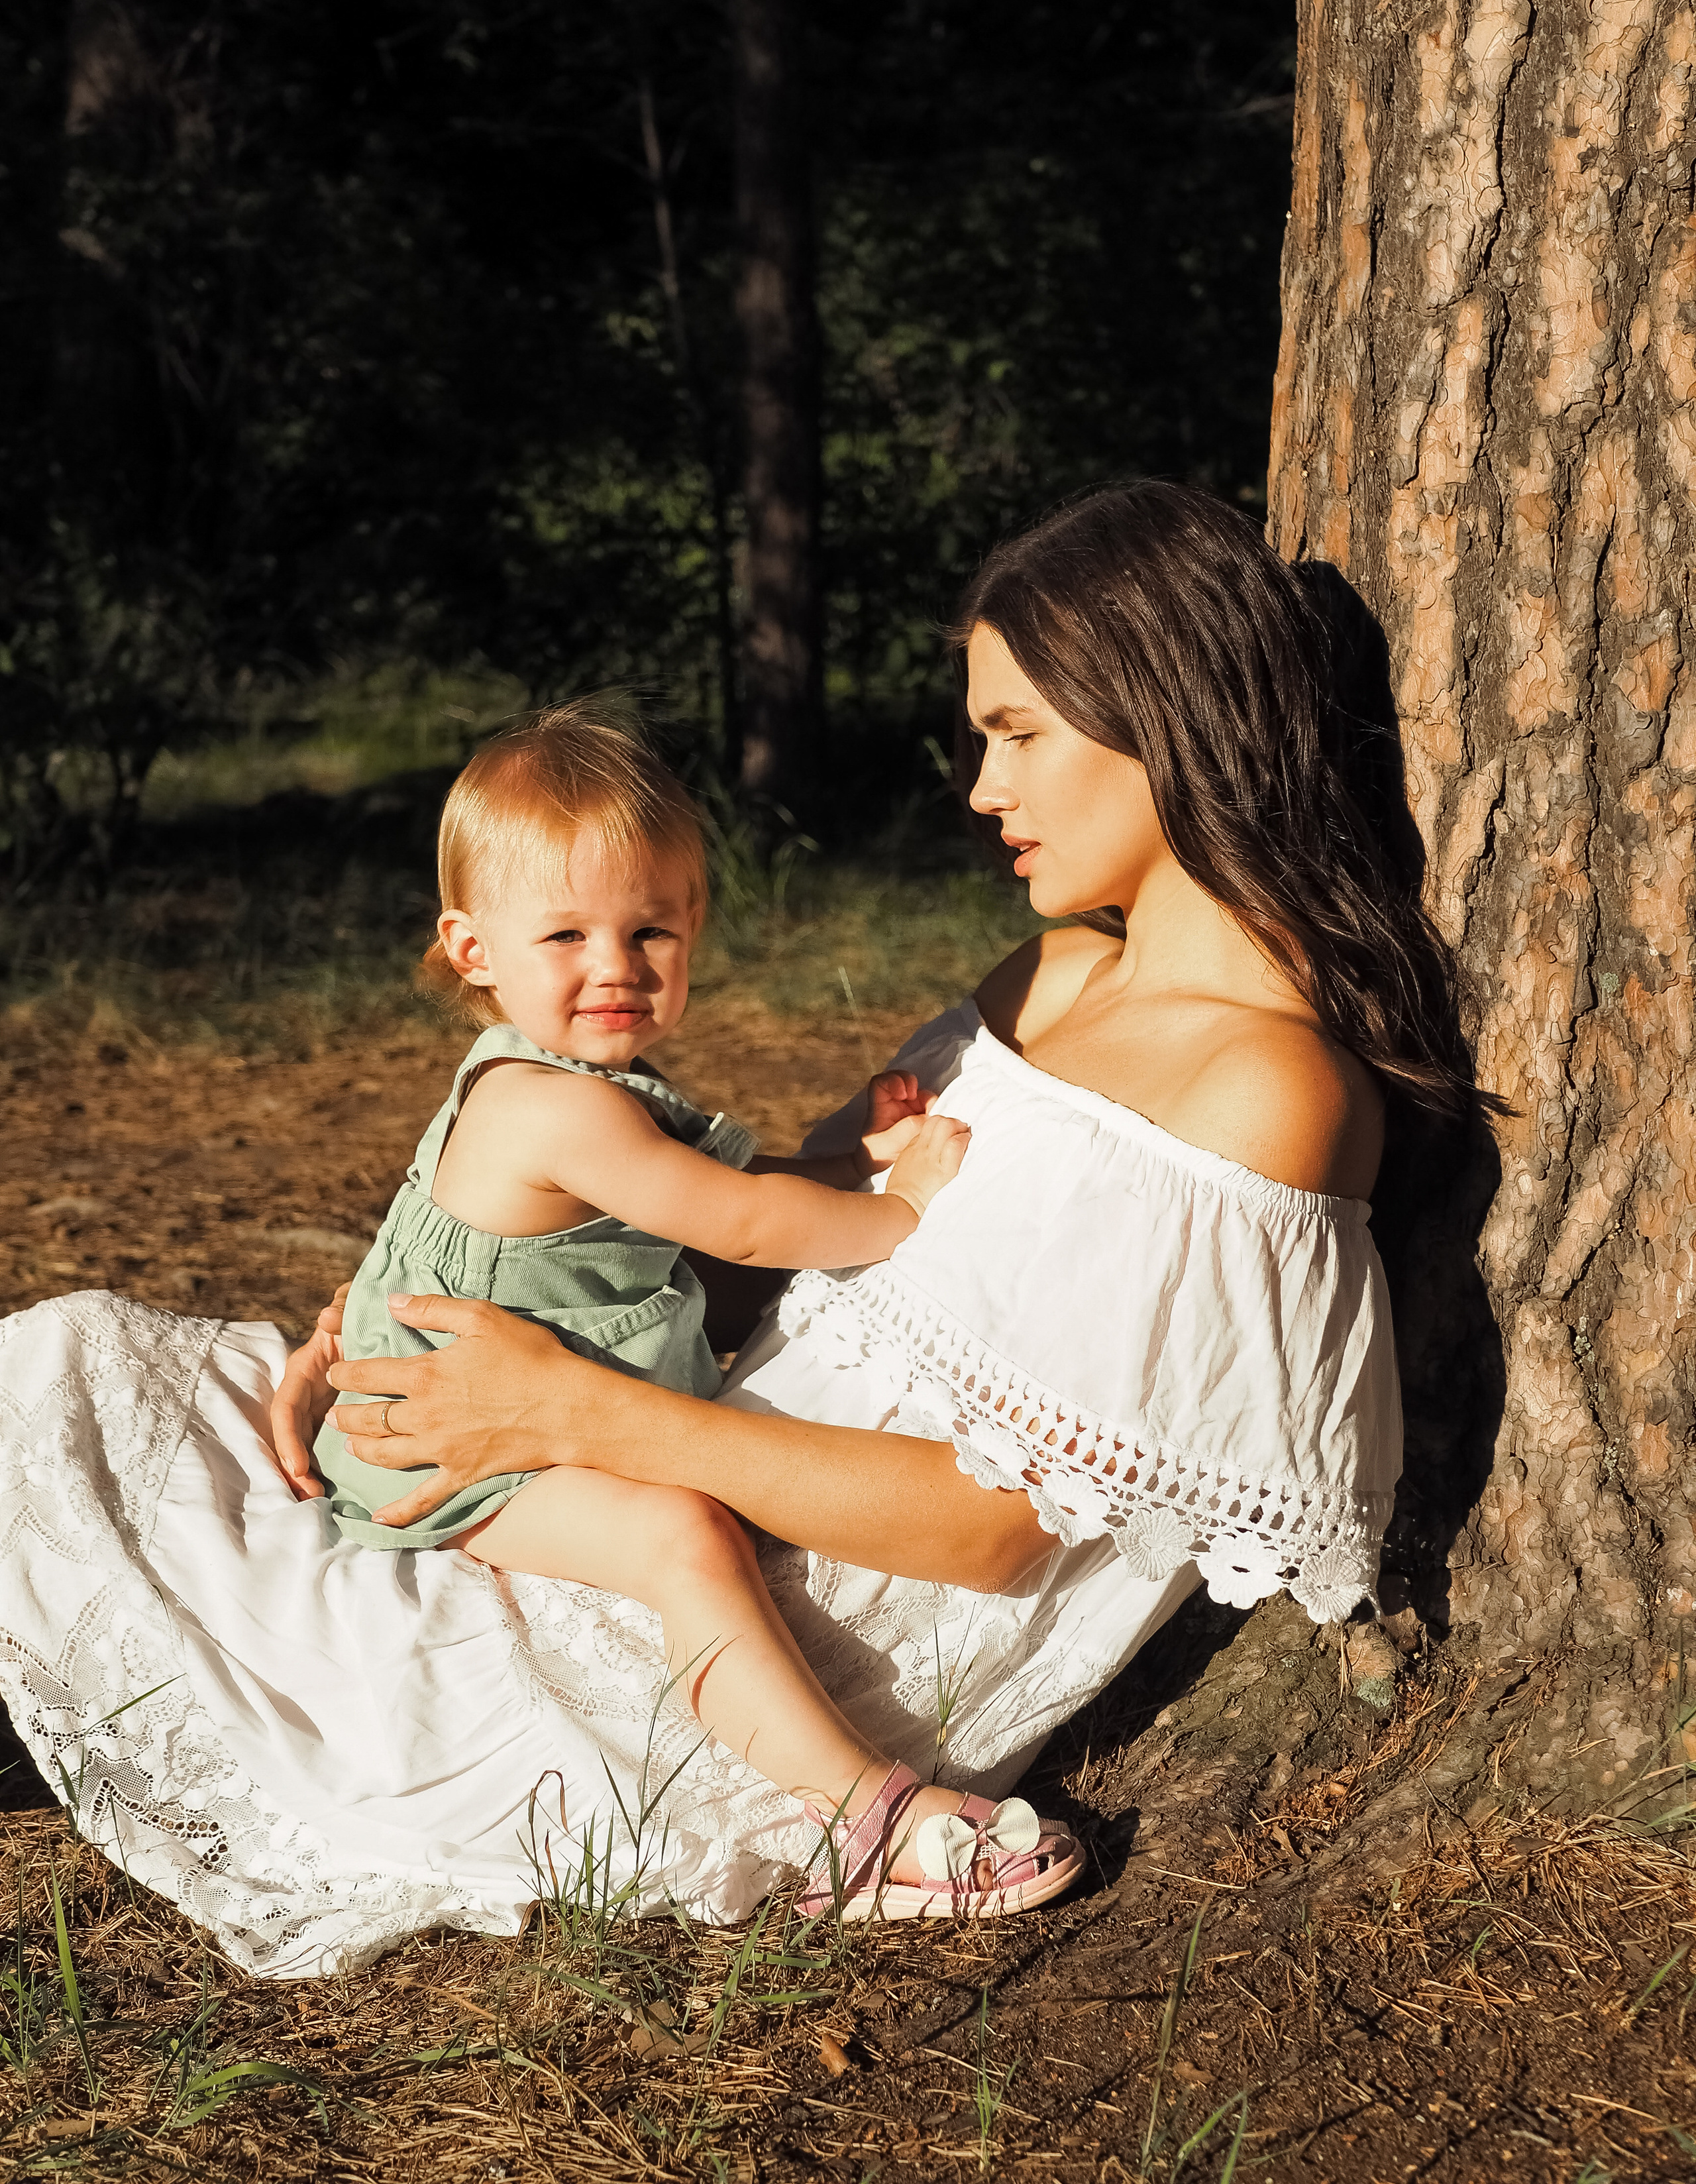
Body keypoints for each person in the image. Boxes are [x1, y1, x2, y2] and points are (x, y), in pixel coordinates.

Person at [0, 482, 1479, 1980]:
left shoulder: (1262, 1088)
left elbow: (991, 1531)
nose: (979, 788)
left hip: (759, 1649)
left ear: (1173, 711)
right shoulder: (1046, 980)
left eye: (1017, 732)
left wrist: (574, 1409)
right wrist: (393, 1337)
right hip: (617, 1448)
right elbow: (716, 1221)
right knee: (72, 1376)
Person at [315, 703, 1081, 1918]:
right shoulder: (553, 1108)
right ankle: (860, 1818)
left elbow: (727, 1194)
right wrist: (902, 1211)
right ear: (472, 951)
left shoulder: (588, 1085)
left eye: (650, 927)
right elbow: (739, 1227)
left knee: (687, 1513)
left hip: (494, 1399)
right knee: (684, 1536)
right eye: (563, 932)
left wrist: (854, 1167)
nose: (614, 964)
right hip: (448, 1451)